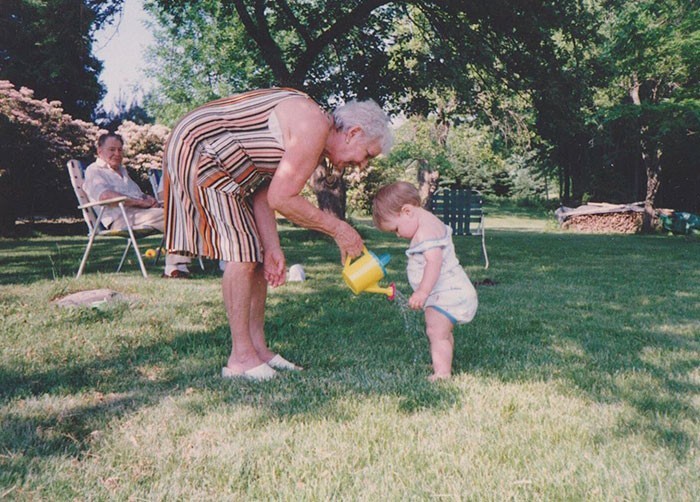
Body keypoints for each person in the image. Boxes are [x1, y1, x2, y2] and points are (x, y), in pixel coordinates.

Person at [162, 88, 393, 381]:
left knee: (256, 252)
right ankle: (240, 359)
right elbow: (283, 198)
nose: (362, 165)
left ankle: (257, 348)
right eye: (367, 155)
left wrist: (272, 246)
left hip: (230, 168)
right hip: (199, 150)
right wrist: (338, 228)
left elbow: (265, 189)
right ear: (353, 133)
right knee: (242, 253)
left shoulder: (311, 134)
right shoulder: (313, 126)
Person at [372, 181, 478, 381]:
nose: (397, 235)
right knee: (442, 333)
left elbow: (434, 262)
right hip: (450, 291)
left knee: (435, 331)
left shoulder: (425, 233)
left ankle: (442, 373)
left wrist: (422, 292)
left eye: (395, 228)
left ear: (407, 211)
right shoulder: (429, 221)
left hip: (446, 293)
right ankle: (441, 360)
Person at [83, 133, 192, 278]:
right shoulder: (94, 171)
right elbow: (105, 196)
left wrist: (149, 199)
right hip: (120, 218)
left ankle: (178, 267)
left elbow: (138, 195)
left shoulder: (122, 171)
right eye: (112, 149)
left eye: (120, 150)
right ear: (99, 151)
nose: (117, 154)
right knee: (173, 216)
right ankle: (174, 268)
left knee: (180, 211)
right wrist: (141, 202)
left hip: (139, 215)